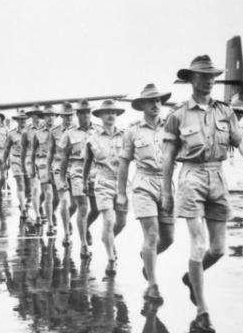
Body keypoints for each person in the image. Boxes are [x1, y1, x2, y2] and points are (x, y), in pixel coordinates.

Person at [162, 55, 243, 332]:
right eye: (203, 75)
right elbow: (167, 158)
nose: (210, 80)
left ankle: (191, 277)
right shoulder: (178, 115)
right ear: (192, 79)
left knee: (218, 249)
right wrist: (166, 191)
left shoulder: (225, 111)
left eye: (212, 75)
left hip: (218, 178)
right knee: (198, 245)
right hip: (191, 177)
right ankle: (203, 311)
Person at [118, 83, 174, 303]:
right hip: (143, 183)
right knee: (151, 234)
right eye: (151, 101)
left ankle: (146, 257)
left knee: (168, 239)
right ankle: (152, 285)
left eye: (159, 100)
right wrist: (121, 193)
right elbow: (123, 164)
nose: (156, 104)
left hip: (167, 184)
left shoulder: (171, 128)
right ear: (142, 105)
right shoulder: (132, 131)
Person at [83, 99, 126, 276]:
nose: (111, 115)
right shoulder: (93, 138)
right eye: (107, 112)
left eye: (114, 112)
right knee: (108, 220)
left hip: (122, 183)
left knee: (121, 223)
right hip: (102, 182)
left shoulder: (125, 136)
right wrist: (85, 181)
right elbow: (87, 162)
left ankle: (107, 239)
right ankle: (110, 259)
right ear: (100, 116)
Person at [60, 99, 99, 258]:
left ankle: (85, 227)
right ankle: (83, 244)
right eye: (82, 113)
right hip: (76, 171)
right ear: (77, 114)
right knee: (83, 207)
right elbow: (64, 158)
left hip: (96, 172)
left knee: (96, 210)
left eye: (88, 112)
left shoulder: (98, 131)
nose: (86, 115)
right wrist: (62, 178)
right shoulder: (69, 133)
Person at [48, 101, 75, 245]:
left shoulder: (78, 130)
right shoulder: (55, 131)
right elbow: (50, 152)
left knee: (75, 204)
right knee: (64, 201)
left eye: (71, 115)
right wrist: (47, 171)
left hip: (76, 168)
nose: (68, 118)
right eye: (66, 116)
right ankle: (66, 234)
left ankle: (67, 219)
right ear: (61, 116)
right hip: (59, 168)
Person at [31, 104, 57, 234]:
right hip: (43, 163)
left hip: (58, 164)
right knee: (48, 193)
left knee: (57, 197)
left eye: (52, 115)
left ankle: (50, 211)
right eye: (47, 116)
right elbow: (32, 150)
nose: (50, 118)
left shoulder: (62, 131)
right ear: (43, 118)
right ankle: (51, 224)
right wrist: (32, 167)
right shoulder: (38, 133)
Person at [3, 110, 29, 219]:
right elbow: (6, 148)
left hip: (29, 161)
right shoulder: (11, 133)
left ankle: (26, 201)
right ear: (17, 120)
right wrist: (4, 162)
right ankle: (23, 209)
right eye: (20, 119)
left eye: (24, 118)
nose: (22, 120)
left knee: (29, 188)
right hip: (16, 160)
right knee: (20, 183)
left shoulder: (31, 131)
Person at [21, 105, 43, 224]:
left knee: (45, 190)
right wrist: (23, 165)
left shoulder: (47, 129)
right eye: (35, 115)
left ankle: (37, 205)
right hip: (31, 160)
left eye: (39, 115)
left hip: (45, 160)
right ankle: (38, 214)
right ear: (32, 116)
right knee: (35, 188)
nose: (37, 117)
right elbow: (23, 149)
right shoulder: (27, 131)